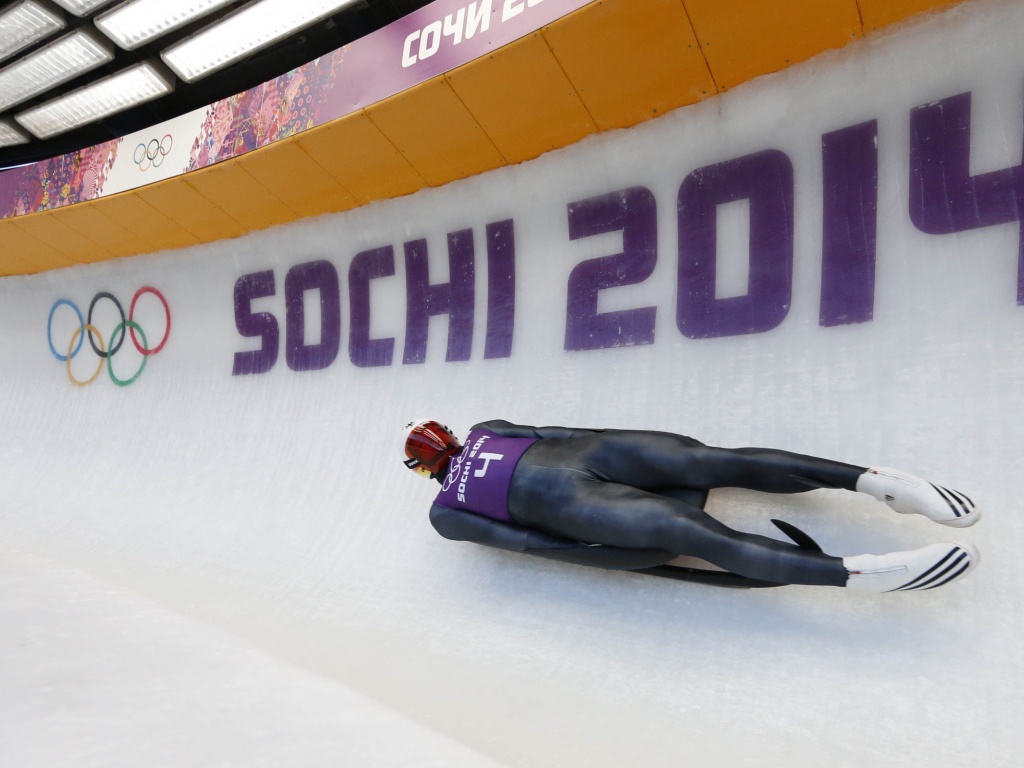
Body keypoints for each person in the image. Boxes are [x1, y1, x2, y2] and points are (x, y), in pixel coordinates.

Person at [402, 419, 981, 592]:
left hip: (582, 499)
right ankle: (870, 482)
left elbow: (534, 545)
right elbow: (566, 430)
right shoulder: (485, 432)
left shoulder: (445, 513)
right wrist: (659, 443)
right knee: (710, 467)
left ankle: (851, 572)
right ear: (448, 436)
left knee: (699, 523)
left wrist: (617, 559)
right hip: (605, 455)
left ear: (425, 468)